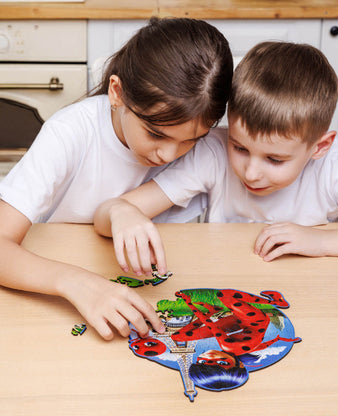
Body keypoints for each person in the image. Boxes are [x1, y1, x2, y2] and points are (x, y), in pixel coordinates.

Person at [0, 17, 233, 340]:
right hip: (50, 290)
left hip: (133, 292)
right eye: (155, 134)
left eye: (191, 139)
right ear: (117, 92)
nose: (168, 154)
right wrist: (77, 282)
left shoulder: (203, 145)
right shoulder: (70, 133)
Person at [93, 41, 338, 274]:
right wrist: (123, 213)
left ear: (319, 146)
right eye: (240, 147)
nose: (251, 172)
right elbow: (108, 214)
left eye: (275, 160)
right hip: (227, 289)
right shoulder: (214, 153)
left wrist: (322, 242)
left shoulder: (335, 169)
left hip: (313, 296)